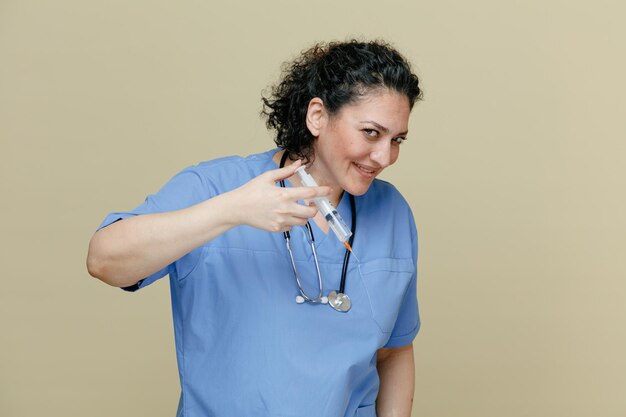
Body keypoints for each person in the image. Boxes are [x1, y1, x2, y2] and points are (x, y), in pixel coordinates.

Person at [87, 39, 423, 417]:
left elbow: (394, 350)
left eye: (397, 140)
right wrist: (231, 211)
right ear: (317, 116)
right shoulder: (216, 187)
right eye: (371, 133)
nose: (385, 157)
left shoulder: (392, 212)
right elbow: (104, 260)